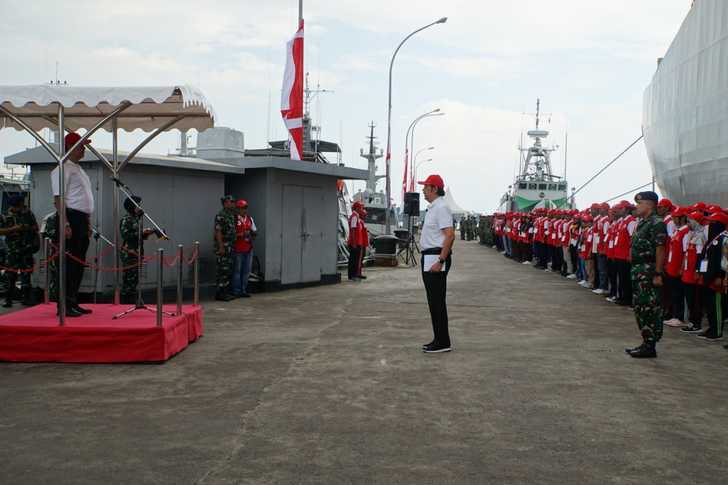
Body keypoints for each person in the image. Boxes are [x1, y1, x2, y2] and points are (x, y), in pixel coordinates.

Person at [51, 132, 95, 317]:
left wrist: (88, 221)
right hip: (70, 217)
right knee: (69, 263)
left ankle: (73, 300)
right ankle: (64, 304)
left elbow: (83, 199)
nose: (84, 149)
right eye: (81, 146)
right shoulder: (61, 169)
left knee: (78, 263)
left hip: (81, 219)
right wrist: (66, 223)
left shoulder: (78, 169)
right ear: (70, 147)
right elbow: (59, 199)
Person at [625, 191, 668, 359]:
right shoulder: (643, 223)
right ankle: (646, 342)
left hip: (649, 272)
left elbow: (660, 249)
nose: (637, 207)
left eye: (639, 204)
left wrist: (658, 273)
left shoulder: (657, 223)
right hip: (639, 271)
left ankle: (650, 345)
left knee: (650, 308)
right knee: (640, 308)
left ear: (649, 204)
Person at [417, 174, 455, 353]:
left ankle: (443, 342)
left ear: (433, 189)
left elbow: (449, 234)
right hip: (429, 257)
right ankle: (439, 338)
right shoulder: (433, 207)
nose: (423, 190)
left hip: (435, 257)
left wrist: (441, 260)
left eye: (425, 187)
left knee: (437, 301)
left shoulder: (441, 207)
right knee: (433, 301)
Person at [0, 195, 39, 307]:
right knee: (10, 275)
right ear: (14, 205)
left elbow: (35, 227)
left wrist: (27, 228)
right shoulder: (4, 216)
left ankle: (26, 298)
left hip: (26, 249)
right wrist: (13, 229)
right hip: (12, 250)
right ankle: (8, 299)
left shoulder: (28, 213)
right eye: (20, 205)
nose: (22, 207)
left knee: (26, 274)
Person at [119, 196, 159, 302]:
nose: (140, 207)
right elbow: (126, 235)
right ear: (132, 206)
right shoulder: (126, 219)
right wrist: (142, 232)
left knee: (135, 278)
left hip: (137, 251)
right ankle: (125, 301)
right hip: (129, 253)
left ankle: (132, 299)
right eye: (137, 205)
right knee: (129, 278)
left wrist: (149, 232)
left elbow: (139, 236)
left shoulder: (136, 219)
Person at [231, 199, 257, 298]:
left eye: (245, 208)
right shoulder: (234, 219)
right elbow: (230, 234)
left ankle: (243, 290)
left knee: (246, 271)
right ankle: (236, 291)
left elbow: (255, 231)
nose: (244, 210)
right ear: (237, 209)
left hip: (248, 248)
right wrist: (241, 234)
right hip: (238, 249)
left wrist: (251, 234)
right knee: (237, 271)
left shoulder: (250, 219)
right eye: (241, 208)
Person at [214, 195, 237, 301]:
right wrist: (221, 246)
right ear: (225, 203)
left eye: (233, 201)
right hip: (223, 247)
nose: (233, 203)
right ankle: (220, 293)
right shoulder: (221, 215)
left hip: (230, 247)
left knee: (228, 271)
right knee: (222, 271)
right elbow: (218, 232)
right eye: (231, 201)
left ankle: (225, 292)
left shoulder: (231, 215)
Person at [347, 201, 364, 281]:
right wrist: (354, 242)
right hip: (355, 242)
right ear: (357, 208)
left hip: (358, 241)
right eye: (360, 208)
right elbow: (353, 229)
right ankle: (352, 275)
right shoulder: (354, 216)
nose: (361, 209)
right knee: (353, 259)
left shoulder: (357, 216)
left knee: (356, 259)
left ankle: (355, 274)